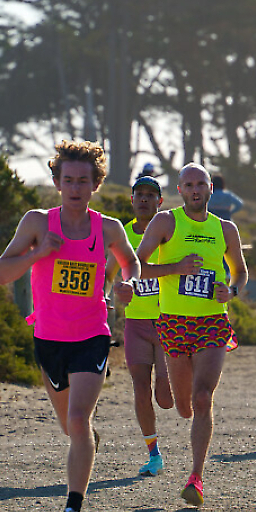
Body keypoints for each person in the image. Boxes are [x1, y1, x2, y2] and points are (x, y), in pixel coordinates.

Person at [0, 141, 140, 512]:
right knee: (71, 425)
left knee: (78, 420)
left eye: (83, 181)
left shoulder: (107, 228)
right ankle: (86, 441)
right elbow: (4, 273)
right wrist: (39, 252)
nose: (75, 188)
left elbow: (130, 261)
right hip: (48, 339)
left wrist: (127, 282)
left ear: (96, 184)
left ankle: (72, 510)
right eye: (68, 180)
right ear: (57, 183)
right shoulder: (37, 222)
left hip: (92, 336)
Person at [136, 163, 248, 507]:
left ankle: (196, 478)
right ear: (180, 190)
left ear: (211, 188)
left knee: (202, 398)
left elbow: (240, 272)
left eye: (201, 184)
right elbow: (137, 266)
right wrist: (176, 268)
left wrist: (231, 290)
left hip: (212, 321)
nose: (195, 190)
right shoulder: (165, 222)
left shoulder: (225, 229)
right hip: (174, 323)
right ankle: (186, 420)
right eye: (189, 185)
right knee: (183, 407)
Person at [105, 176, 174, 477]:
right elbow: (109, 275)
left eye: (150, 195)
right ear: (132, 200)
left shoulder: (169, 232)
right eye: (139, 195)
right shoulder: (123, 235)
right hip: (136, 324)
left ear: (160, 201)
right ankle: (154, 454)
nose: (144, 199)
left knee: (165, 398)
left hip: (169, 322)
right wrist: (113, 293)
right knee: (140, 390)